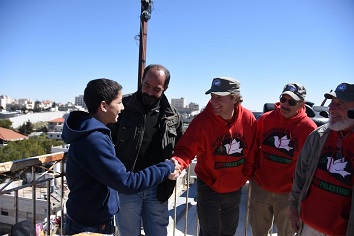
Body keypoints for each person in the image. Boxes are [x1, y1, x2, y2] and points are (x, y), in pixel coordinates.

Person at [61, 78, 179, 235]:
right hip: (89, 226)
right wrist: (168, 166)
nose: (123, 108)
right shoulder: (94, 139)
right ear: (103, 106)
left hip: (93, 220)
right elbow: (127, 183)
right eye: (119, 102)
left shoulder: (95, 133)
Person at [171, 77, 257, 236]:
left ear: (235, 98)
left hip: (234, 186)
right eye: (212, 96)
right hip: (209, 185)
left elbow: (252, 150)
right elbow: (185, 150)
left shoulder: (248, 118)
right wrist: (177, 163)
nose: (213, 101)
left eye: (220, 97)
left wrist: (245, 174)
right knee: (209, 231)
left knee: (228, 230)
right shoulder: (201, 121)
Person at [108, 64, 183, 236]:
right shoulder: (122, 108)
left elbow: (180, 149)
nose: (149, 92)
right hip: (127, 187)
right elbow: (107, 142)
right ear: (141, 82)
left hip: (158, 188)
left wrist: (178, 166)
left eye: (156, 89)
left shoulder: (173, 116)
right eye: (146, 86)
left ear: (165, 88)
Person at [249, 83, 317, 236]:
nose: (285, 104)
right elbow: (253, 148)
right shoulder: (265, 119)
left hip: (289, 194)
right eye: (283, 99)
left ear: (301, 104)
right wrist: (251, 174)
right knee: (258, 232)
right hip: (261, 188)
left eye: (291, 102)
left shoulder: (309, 128)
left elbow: (310, 164)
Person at [289, 82, 354, 236]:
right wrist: (293, 206)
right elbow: (300, 174)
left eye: (340, 104)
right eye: (332, 103)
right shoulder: (318, 136)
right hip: (308, 226)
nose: (331, 108)